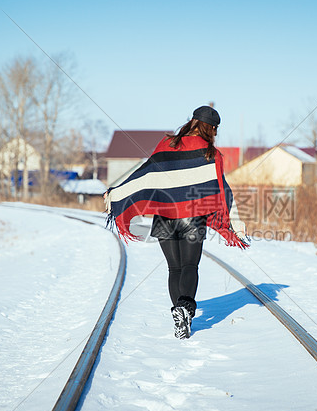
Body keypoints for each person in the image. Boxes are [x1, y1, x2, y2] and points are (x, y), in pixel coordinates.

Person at [105, 105, 248, 339]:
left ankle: (179, 318)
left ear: (191, 122)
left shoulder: (166, 145)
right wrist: (235, 224)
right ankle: (185, 310)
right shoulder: (210, 153)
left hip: (164, 218)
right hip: (192, 218)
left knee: (174, 268)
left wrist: (117, 193)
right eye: (215, 129)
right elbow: (222, 189)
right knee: (190, 266)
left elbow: (146, 173)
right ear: (209, 128)